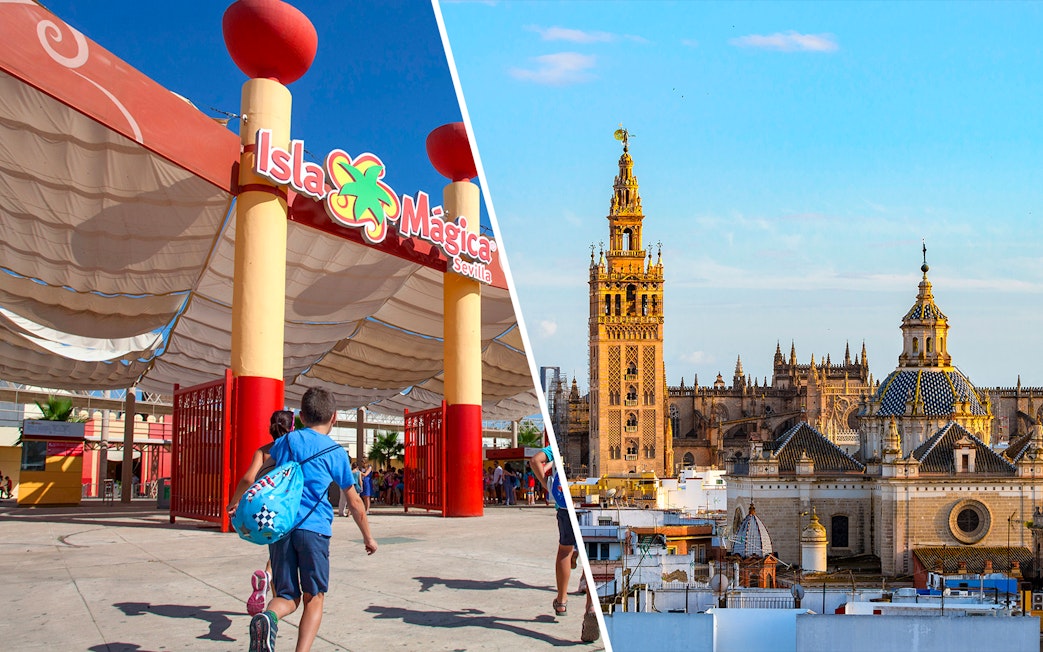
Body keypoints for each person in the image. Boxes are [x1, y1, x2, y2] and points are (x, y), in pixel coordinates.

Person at [246, 388, 377, 652]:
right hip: (314, 530)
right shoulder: (336, 452)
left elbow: (258, 472)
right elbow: (354, 503)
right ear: (334, 417)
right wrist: (368, 537)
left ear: (302, 416)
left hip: (281, 528)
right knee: (314, 597)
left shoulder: (286, 442)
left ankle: (267, 617)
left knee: (285, 596)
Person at [227, 410, 295, 616]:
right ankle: (268, 578)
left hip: (265, 508)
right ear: (292, 427)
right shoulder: (293, 448)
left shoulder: (263, 451)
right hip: (287, 506)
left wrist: (234, 501)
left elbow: (248, 479)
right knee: (282, 552)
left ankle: (270, 598)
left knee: (275, 547)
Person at [529, 445, 599, 644]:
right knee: (592, 553)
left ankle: (561, 601)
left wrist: (546, 485)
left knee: (565, 550)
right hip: (588, 505)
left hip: (564, 505)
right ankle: (591, 607)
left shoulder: (555, 446)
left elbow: (534, 461)